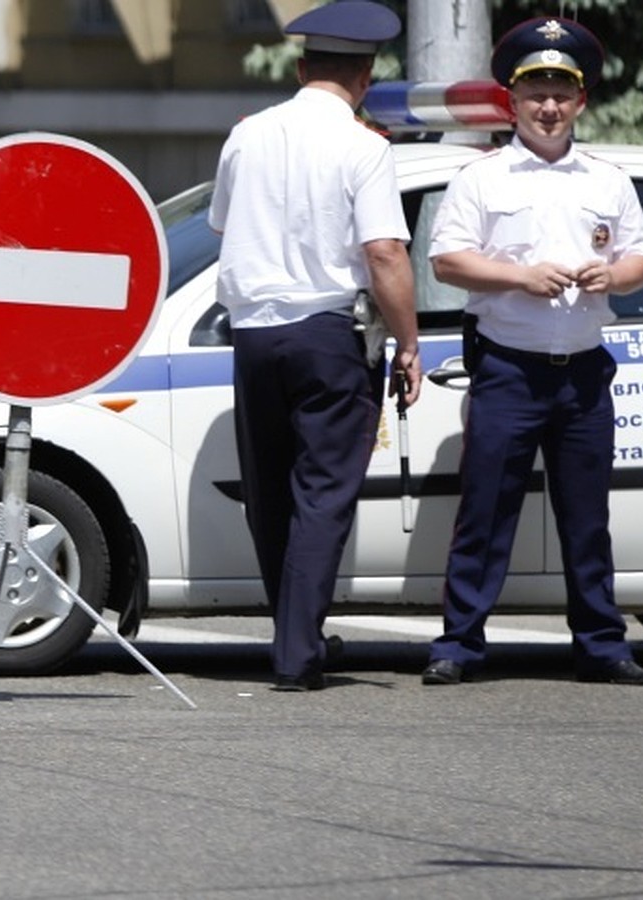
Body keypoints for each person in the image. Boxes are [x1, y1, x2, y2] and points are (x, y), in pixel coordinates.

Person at [422, 17, 643, 686]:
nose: (549, 107)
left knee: (587, 521)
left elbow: (641, 256)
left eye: (562, 94)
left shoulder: (608, 179)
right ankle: (460, 646)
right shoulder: (483, 177)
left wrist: (612, 276)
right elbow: (446, 261)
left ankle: (602, 646)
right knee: (484, 515)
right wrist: (519, 277)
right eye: (536, 95)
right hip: (509, 369)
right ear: (513, 103)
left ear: (580, 102)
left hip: (584, 374)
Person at [208, 0, 422, 691]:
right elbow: (386, 253)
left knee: (270, 494)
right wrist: (411, 343)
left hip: (254, 334)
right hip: (328, 334)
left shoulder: (247, 135)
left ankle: (295, 635)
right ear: (365, 77)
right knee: (323, 495)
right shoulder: (365, 146)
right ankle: (298, 653)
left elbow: (222, 226)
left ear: (302, 67)